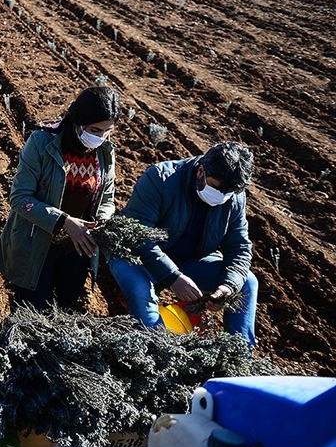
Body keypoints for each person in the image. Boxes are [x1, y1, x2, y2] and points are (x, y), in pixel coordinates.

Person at [109, 142, 257, 346]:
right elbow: (139, 236)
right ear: (201, 171)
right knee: (145, 309)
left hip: (189, 261)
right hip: (137, 258)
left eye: (228, 192)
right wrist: (172, 277)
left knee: (247, 282)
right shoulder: (160, 178)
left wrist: (228, 286)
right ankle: (159, 351)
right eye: (214, 187)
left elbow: (239, 246)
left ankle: (240, 355)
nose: (221, 196)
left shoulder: (235, 198)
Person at [0, 86, 119, 312]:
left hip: (79, 247)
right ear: (78, 122)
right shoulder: (43, 143)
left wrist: (99, 223)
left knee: (66, 309)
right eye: (95, 130)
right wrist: (64, 221)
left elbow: (107, 197)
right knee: (31, 311)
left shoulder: (105, 152)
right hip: (36, 244)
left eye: (107, 131)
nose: (101, 137)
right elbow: (20, 197)